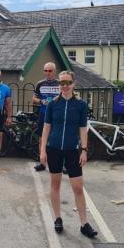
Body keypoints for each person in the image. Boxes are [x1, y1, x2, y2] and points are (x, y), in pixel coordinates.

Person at [39, 71, 98, 238]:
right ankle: (58, 218)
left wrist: (84, 150)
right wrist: (43, 150)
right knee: (55, 185)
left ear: (73, 83)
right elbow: (46, 128)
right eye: (62, 82)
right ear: (59, 84)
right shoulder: (52, 104)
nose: (65, 86)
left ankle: (84, 224)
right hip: (54, 149)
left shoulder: (80, 105)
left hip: (72, 150)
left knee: (78, 188)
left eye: (68, 82)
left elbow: (82, 129)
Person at [33, 62, 60, 172]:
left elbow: (66, 97)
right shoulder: (40, 83)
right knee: (42, 138)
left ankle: (60, 163)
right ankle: (43, 163)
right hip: (43, 114)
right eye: (45, 70)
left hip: (57, 115)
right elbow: (33, 99)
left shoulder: (60, 83)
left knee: (57, 139)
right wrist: (41, 101)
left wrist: (56, 101)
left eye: (50, 71)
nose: (47, 73)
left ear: (54, 71)